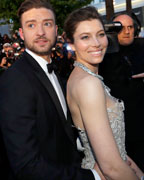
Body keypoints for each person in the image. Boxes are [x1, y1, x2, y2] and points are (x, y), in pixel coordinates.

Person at [0, 0, 101, 179]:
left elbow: (59, 132)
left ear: (55, 29)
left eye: (47, 23)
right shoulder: (15, 80)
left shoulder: (59, 76)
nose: (40, 32)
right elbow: (26, 165)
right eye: (31, 25)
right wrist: (93, 176)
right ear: (21, 34)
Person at [64, 6, 144, 180]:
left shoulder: (80, 76)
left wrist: (135, 169)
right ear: (71, 43)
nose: (97, 43)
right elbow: (110, 168)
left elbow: (112, 148)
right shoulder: (89, 84)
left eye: (100, 34)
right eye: (85, 37)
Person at [99, 12, 144, 170]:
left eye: (130, 27)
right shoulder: (102, 56)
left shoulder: (142, 47)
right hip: (120, 133)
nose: (127, 31)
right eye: (120, 28)